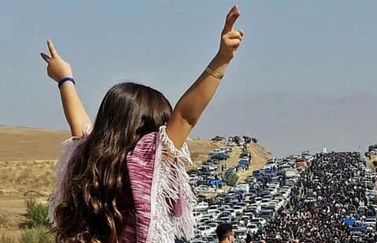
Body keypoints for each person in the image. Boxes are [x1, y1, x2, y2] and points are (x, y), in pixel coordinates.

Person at [41, 5, 244, 243]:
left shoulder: (88, 165)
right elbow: (186, 116)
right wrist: (221, 59)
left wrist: (65, 79)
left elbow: (81, 127)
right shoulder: (146, 163)